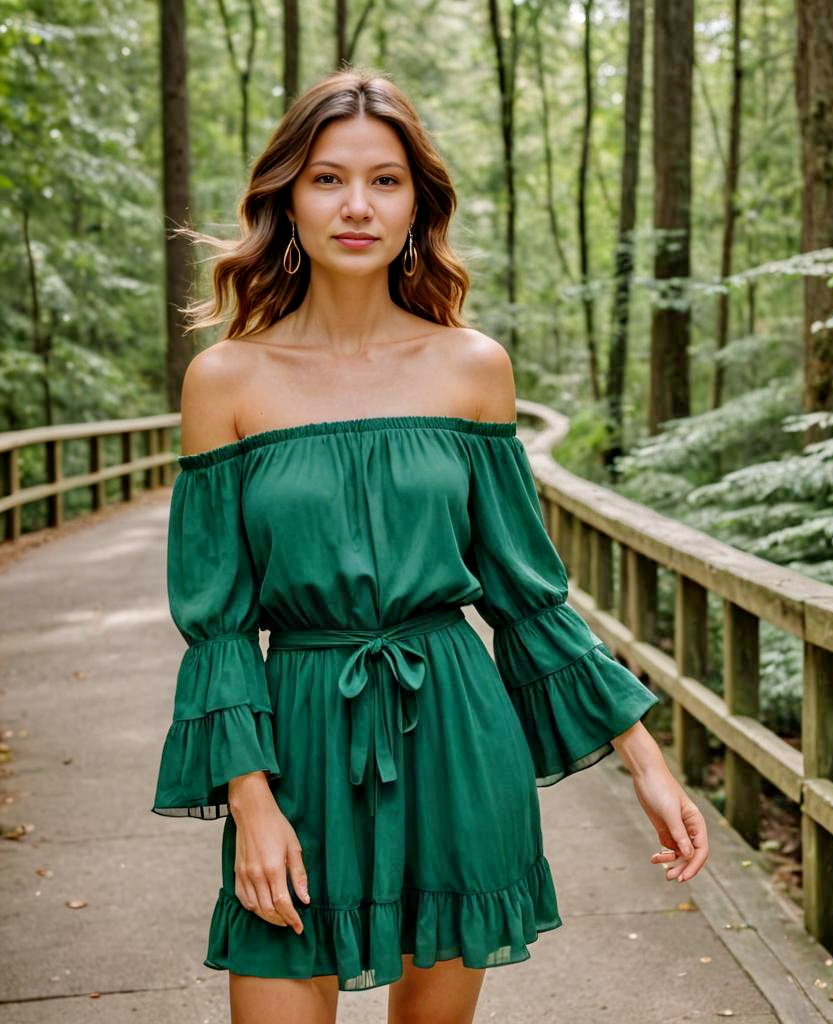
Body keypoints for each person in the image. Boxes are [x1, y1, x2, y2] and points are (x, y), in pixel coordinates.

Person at [150, 65, 709, 1024]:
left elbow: (526, 593)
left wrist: (646, 760)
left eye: (385, 180)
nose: (356, 205)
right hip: (297, 735)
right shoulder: (227, 379)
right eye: (327, 179)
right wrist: (250, 800)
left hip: (455, 731)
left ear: (419, 203)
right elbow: (219, 624)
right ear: (287, 199)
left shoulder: (472, 368)